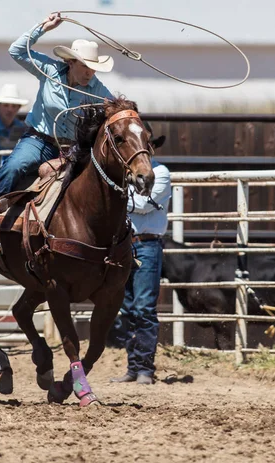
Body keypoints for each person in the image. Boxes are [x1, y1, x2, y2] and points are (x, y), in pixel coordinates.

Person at [0, 12, 114, 238]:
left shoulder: (96, 89)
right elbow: (16, 51)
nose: (89, 73)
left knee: (102, 180)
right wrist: (43, 27)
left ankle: (117, 237)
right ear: (71, 62)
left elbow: (116, 106)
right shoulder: (49, 70)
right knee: (15, 166)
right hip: (39, 141)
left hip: (73, 149)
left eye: (93, 68)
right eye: (84, 66)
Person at [110, 123, 171, 385]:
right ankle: (135, 367)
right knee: (126, 307)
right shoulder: (133, 175)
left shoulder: (161, 173)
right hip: (127, 245)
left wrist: (119, 197)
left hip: (146, 244)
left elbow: (145, 205)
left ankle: (144, 367)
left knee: (143, 307)